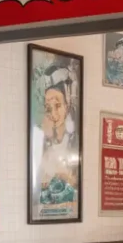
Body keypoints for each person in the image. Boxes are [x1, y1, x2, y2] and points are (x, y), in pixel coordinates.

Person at [35, 64, 79, 212]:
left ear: (67, 104)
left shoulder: (75, 143)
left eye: (58, 105)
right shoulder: (42, 145)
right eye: (48, 107)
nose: (53, 114)